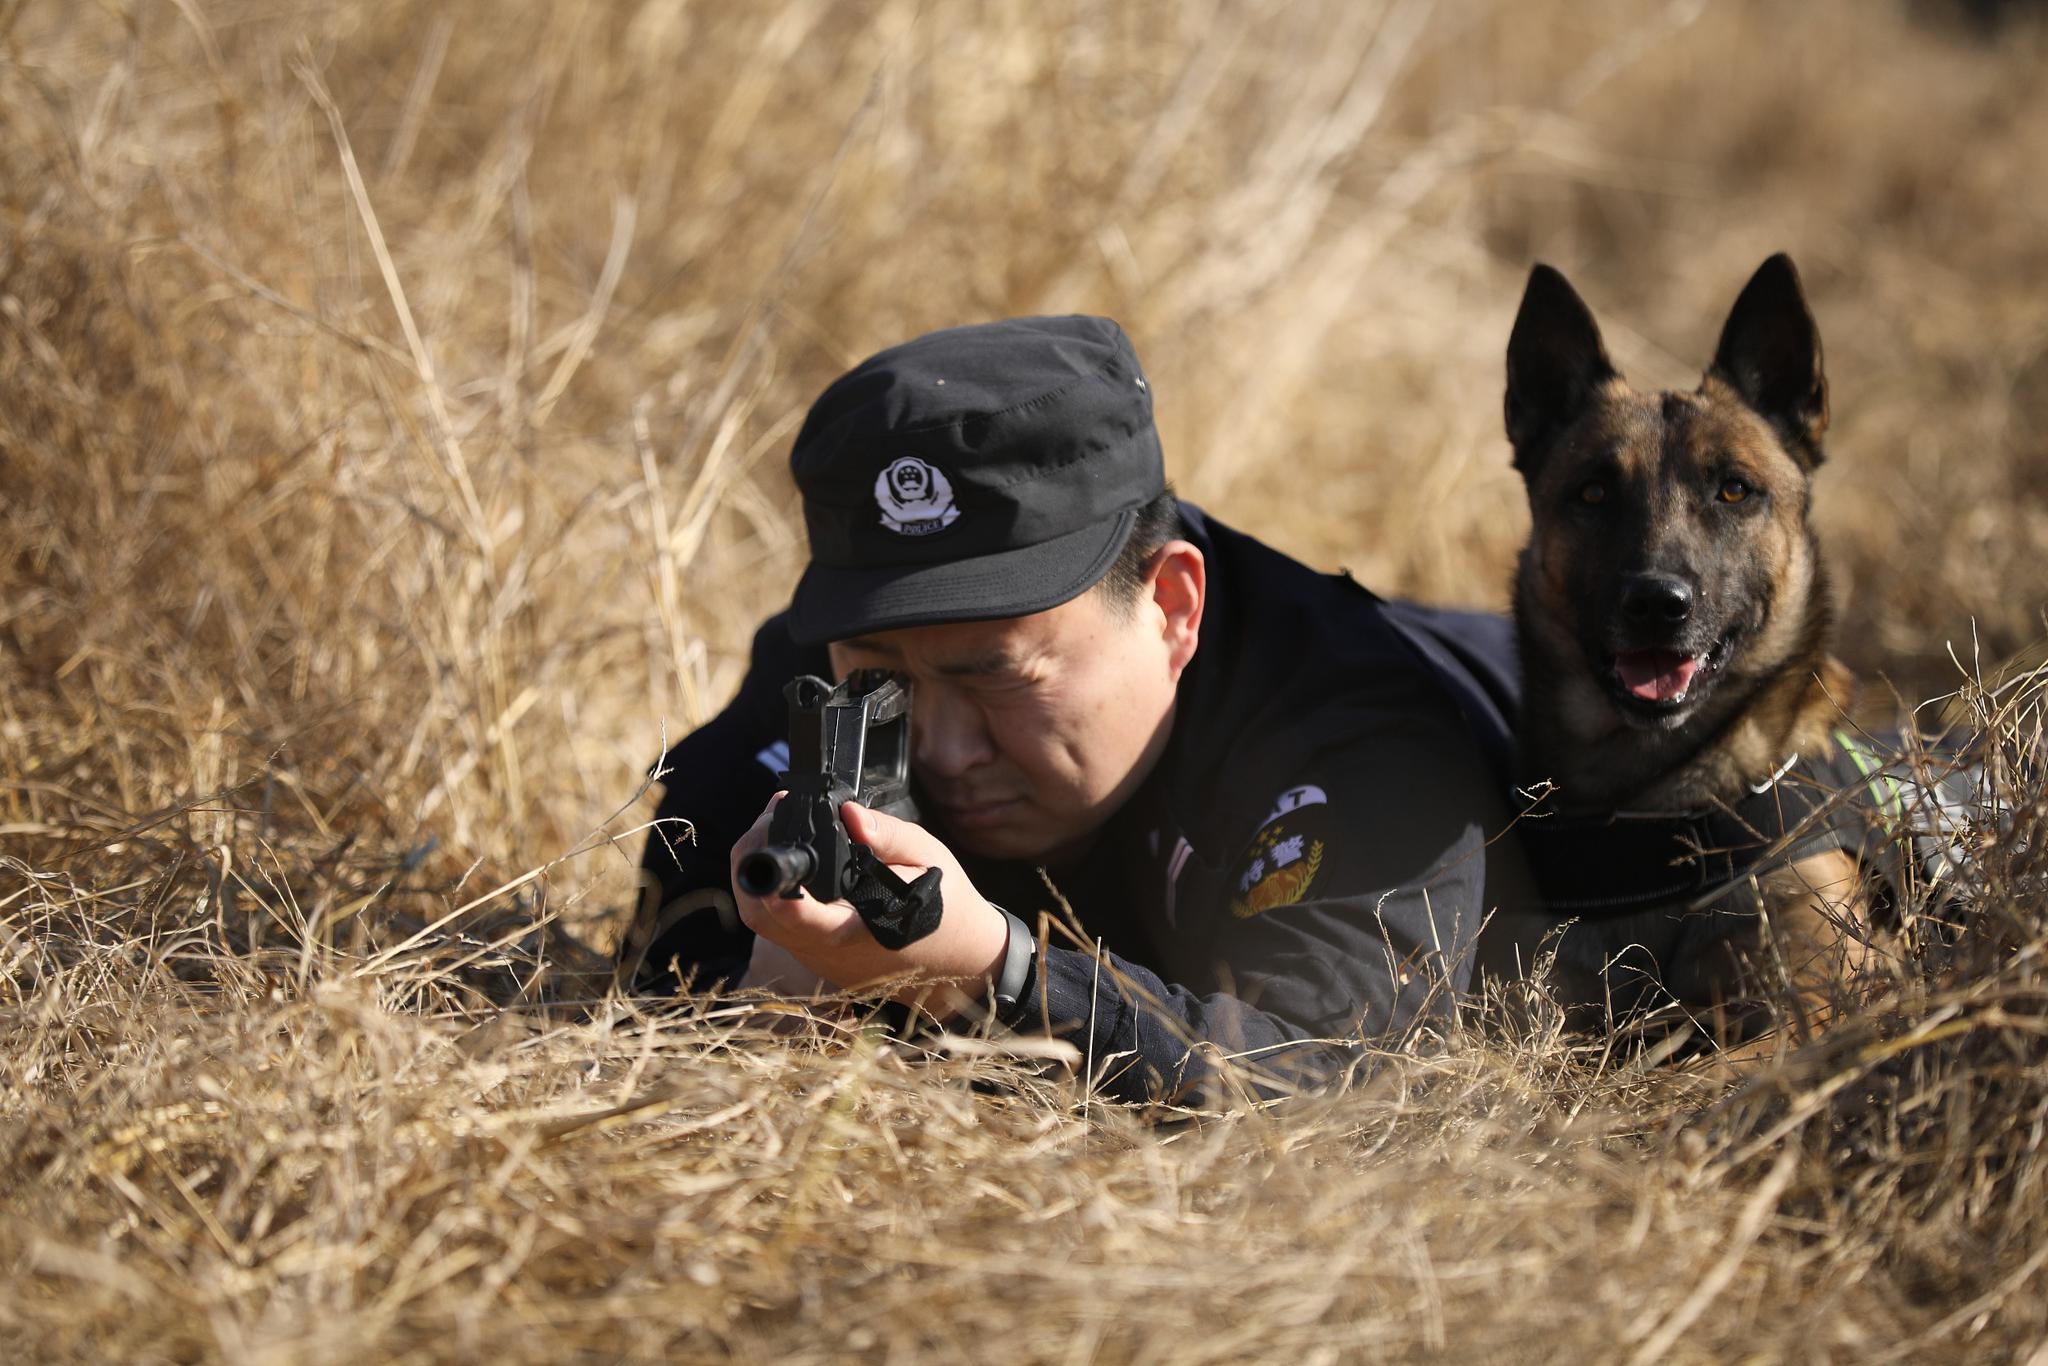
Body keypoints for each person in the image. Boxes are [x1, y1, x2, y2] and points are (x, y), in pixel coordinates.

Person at [621, 314, 1533, 1106]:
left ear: (1173, 608)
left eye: (996, 678)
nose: (943, 747)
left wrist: (992, 980)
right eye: (886, 679)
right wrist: (763, 1007)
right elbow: (670, 938)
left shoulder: (1360, 733)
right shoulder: (829, 661)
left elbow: (1328, 1078)